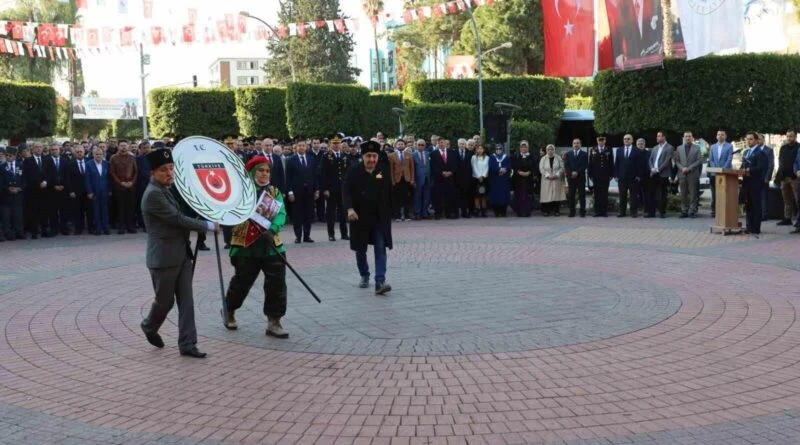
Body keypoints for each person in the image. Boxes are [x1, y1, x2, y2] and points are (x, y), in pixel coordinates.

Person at [139, 148, 219, 358]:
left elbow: (182, 215)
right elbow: (177, 219)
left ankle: (188, 344)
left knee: (186, 301)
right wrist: (208, 225)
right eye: (164, 170)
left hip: (182, 255)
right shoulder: (153, 194)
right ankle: (149, 326)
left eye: (171, 169)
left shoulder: (165, 189)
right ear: (153, 173)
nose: (170, 173)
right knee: (165, 302)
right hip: (163, 259)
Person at [222, 156, 289, 338]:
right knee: (241, 283)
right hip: (246, 245)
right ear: (252, 172)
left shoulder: (274, 192)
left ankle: (274, 322)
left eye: (267, 171)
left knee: (277, 285)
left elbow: (281, 213)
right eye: (260, 170)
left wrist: (273, 229)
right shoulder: (241, 193)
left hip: (271, 244)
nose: (264, 174)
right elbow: (231, 213)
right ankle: (229, 310)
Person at [343, 140, 393, 295]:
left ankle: (380, 281)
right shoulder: (353, 171)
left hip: (379, 217)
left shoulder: (383, 170)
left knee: (380, 247)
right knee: (360, 248)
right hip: (359, 217)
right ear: (362, 156)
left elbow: (389, 193)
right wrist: (350, 209)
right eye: (368, 156)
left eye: (374, 156)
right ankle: (364, 275)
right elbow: (346, 192)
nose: (371, 160)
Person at [286, 139, 319, 243]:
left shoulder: (311, 159)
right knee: (297, 215)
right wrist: (290, 192)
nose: (301, 147)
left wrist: (316, 190)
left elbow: (315, 176)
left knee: (308, 214)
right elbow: (288, 177)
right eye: (299, 146)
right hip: (296, 192)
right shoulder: (291, 160)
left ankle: (307, 236)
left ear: (306, 147)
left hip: (309, 192)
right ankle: (298, 236)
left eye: (303, 146)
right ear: (296, 147)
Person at [320, 135, 350, 241]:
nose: (336, 145)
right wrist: (325, 189)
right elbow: (323, 174)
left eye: (338, 143)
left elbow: (347, 173)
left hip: (342, 189)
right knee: (331, 213)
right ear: (331, 144)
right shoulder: (326, 156)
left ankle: (344, 233)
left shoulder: (345, 156)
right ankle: (331, 234)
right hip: (331, 189)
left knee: (343, 212)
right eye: (334, 143)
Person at [741, 132, 768, 235]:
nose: (748, 141)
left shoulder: (760, 153)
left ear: (756, 140)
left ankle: (756, 228)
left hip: (755, 183)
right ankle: (749, 226)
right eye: (747, 139)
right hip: (747, 182)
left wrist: (749, 170)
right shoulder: (747, 152)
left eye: (751, 139)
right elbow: (743, 166)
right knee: (749, 205)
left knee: (756, 205)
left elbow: (761, 168)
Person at [647, 131, 674, 218]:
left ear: (664, 137)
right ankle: (651, 212)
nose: (657, 138)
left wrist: (658, 169)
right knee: (652, 193)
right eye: (657, 136)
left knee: (662, 193)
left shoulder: (670, 148)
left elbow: (667, 161)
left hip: (663, 174)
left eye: (659, 136)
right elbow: (650, 160)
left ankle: (662, 212)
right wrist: (652, 168)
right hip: (653, 173)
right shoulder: (655, 148)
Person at [85, 147, 111, 235]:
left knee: (105, 210)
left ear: (103, 155)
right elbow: (87, 179)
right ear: (93, 155)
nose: (98, 156)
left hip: (104, 191)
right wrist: (89, 192)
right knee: (96, 211)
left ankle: (106, 228)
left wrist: (109, 190)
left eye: (100, 154)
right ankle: (98, 228)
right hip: (94, 191)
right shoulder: (88, 164)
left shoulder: (106, 163)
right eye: (96, 154)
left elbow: (109, 178)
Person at [675, 131, 702, 218]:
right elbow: (676, 161)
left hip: (693, 174)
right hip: (682, 174)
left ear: (692, 138)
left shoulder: (697, 148)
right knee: (683, 194)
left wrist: (689, 168)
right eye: (686, 136)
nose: (688, 138)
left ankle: (692, 211)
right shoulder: (679, 148)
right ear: (683, 137)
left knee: (693, 194)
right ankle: (684, 211)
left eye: (689, 136)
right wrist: (682, 168)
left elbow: (699, 161)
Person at [707, 130, 733, 218]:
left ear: (725, 136)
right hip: (715, 174)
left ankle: (724, 210)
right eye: (718, 134)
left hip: (725, 173)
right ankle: (714, 210)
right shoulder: (713, 147)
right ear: (716, 136)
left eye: (722, 135)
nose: (720, 136)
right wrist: (716, 169)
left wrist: (723, 170)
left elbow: (729, 159)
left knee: (724, 193)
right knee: (714, 193)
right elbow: (711, 160)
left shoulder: (729, 146)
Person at [775, 129, 799, 226]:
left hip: (795, 178)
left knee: (798, 199)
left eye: (791, 136)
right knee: (786, 199)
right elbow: (781, 161)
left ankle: (798, 220)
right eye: (788, 136)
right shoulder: (783, 148)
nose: (789, 138)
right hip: (784, 177)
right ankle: (787, 218)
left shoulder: (799, 147)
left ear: (795, 137)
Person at [589, 136, 614, 217]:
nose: (601, 141)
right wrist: (590, 174)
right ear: (597, 140)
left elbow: (611, 162)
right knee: (597, 194)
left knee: (604, 194)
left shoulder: (609, 149)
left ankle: (604, 212)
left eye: (602, 140)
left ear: (605, 141)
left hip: (606, 175)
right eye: (599, 140)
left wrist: (611, 174)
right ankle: (597, 211)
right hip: (596, 175)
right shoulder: (593, 149)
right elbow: (590, 163)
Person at [511, 141, 537, 217]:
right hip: (518, 178)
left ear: (528, 148)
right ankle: (519, 211)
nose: (523, 148)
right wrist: (519, 172)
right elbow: (513, 166)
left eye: (525, 147)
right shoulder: (516, 156)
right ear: (520, 148)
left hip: (528, 179)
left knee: (527, 195)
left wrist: (529, 172)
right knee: (519, 195)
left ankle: (527, 211)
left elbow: (534, 166)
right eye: (522, 147)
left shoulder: (532, 156)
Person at [539, 144, 567, 216]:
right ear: (546, 150)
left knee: (556, 194)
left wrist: (557, 174)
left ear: (554, 150)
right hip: (546, 179)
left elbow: (562, 167)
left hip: (556, 178)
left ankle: (556, 211)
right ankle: (546, 211)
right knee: (547, 195)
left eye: (552, 149)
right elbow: (541, 168)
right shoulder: (543, 158)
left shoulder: (558, 158)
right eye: (548, 149)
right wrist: (547, 175)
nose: (550, 151)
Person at [564, 138, 588, 217]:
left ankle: (582, 212)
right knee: (571, 195)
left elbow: (585, 165)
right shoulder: (568, 154)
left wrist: (577, 172)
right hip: (571, 178)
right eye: (574, 143)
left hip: (580, 177)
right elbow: (566, 165)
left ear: (580, 145)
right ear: (572, 144)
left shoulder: (584, 154)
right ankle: (572, 212)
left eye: (578, 143)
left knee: (582, 195)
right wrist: (571, 172)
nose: (576, 145)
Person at [487, 144, 511, 216]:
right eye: (497, 149)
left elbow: (509, 165)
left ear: (502, 150)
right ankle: (496, 212)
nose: (498, 150)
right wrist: (499, 170)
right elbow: (491, 166)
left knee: (504, 195)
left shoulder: (506, 157)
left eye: (500, 149)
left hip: (504, 179)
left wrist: (505, 169)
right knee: (496, 195)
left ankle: (503, 211)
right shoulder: (492, 157)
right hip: (495, 179)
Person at [412, 139, 431, 220]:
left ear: (425, 146)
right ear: (416, 145)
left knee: (427, 196)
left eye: (422, 145)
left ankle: (425, 212)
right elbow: (412, 168)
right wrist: (413, 180)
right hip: (418, 179)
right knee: (417, 196)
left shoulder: (428, 154)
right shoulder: (413, 155)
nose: (420, 146)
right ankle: (417, 213)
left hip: (428, 178)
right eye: (419, 145)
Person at [471, 144, 490, 217]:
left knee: (483, 195)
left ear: (484, 149)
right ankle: (477, 210)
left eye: (481, 148)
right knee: (477, 196)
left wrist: (483, 175)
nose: (480, 150)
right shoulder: (473, 157)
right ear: (476, 150)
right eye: (478, 149)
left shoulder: (487, 158)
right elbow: (474, 167)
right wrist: (479, 176)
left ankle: (484, 210)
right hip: (476, 178)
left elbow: (487, 167)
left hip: (484, 178)